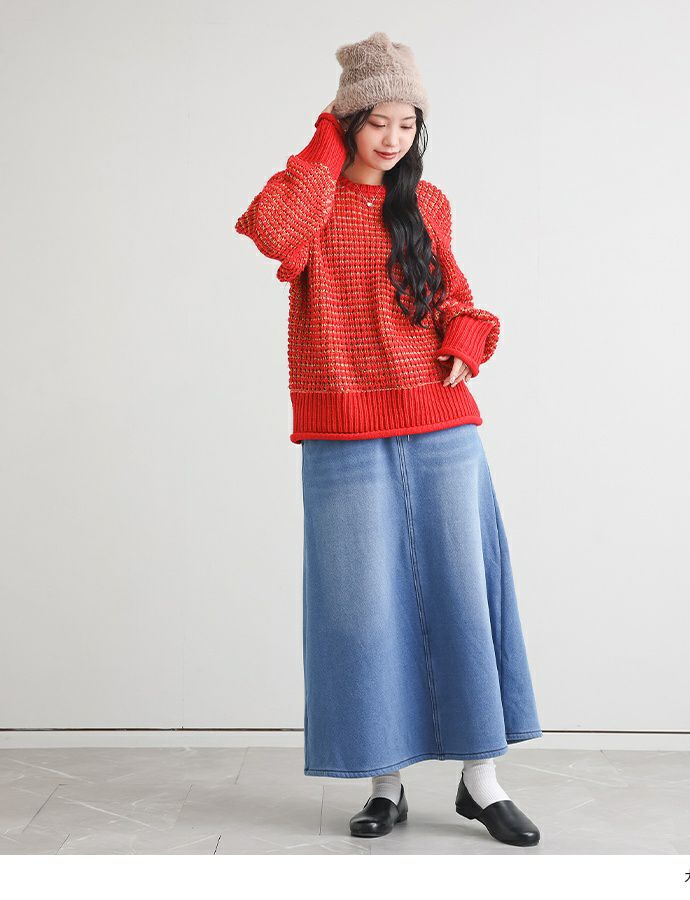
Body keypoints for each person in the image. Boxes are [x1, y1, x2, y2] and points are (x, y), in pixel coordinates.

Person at [235, 31, 543, 848]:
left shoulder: (427, 205)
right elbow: (269, 230)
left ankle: (482, 781)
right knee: (361, 610)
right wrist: (322, 145)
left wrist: (466, 339)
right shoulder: (312, 203)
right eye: (377, 120)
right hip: (342, 430)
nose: (393, 137)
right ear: (346, 121)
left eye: (408, 123)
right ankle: (385, 783)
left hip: (442, 426)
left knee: (462, 596)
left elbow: (456, 299)